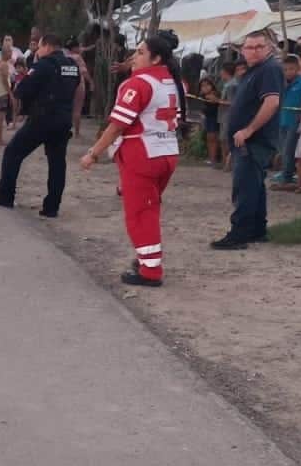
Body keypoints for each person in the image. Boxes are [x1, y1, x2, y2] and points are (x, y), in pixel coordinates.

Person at [80, 35, 184, 287]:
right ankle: (146, 259)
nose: (133, 58)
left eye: (139, 52)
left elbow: (117, 126)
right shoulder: (173, 81)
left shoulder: (136, 85)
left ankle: (150, 270)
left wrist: (93, 153)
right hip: (167, 153)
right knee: (150, 208)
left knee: (140, 214)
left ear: (155, 57)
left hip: (142, 154)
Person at [0, 33, 81, 217]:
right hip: (63, 120)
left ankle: (6, 195)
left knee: (13, 152)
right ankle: (51, 208)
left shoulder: (44, 65)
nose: (37, 50)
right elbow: (75, 87)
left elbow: (22, 90)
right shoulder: (72, 66)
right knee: (57, 164)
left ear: (46, 46)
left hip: (42, 119)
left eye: (40, 46)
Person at [212, 31, 283, 249]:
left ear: (269, 48)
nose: (253, 51)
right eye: (249, 47)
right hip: (247, 139)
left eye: (259, 46)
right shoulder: (254, 71)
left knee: (244, 186)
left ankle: (239, 234)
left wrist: (249, 130)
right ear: (242, 50)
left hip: (254, 139)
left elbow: (271, 102)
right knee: (254, 186)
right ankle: (256, 230)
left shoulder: (269, 69)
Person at [270, 56, 301, 188]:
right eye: (285, 69)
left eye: (291, 69)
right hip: (281, 119)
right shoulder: (280, 83)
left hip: (295, 121)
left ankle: (287, 176)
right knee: (282, 149)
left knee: (289, 149)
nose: (288, 72)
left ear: (298, 69)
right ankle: (286, 172)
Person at [64, 37, 91, 137]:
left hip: (66, 84)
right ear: (74, 48)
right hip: (79, 84)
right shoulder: (78, 57)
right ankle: (77, 132)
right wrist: (91, 82)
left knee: (67, 108)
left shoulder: (64, 57)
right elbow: (84, 72)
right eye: (78, 46)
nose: (80, 48)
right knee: (77, 109)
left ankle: (65, 129)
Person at [198, 77, 223, 167]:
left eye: (207, 85)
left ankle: (214, 159)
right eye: (203, 86)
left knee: (213, 138)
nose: (205, 87)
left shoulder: (214, 95)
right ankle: (211, 158)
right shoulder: (202, 96)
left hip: (214, 118)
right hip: (208, 118)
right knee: (209, 138)